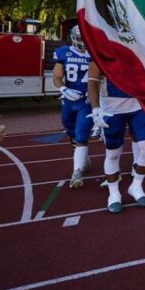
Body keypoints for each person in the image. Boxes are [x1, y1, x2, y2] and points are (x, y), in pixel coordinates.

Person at [88, 60, 145, 214]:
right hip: (111, 108)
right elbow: (92, 83)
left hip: (138, 104)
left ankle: (136, 186)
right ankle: (114, 194)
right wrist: (95, 109)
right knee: (113, 153)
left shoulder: (137, 49)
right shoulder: (100, 52)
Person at [52, 26, 94, 188]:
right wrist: (63, 89)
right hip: (69, 101)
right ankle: (82, 157)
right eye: (79, 37)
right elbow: (57, 77)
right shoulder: (63, 52)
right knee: (70, 131)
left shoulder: (94, 53)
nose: (82, 41)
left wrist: (97, 98)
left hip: (86, 101)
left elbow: (101, 78)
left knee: (81, 133)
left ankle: (76, 172)